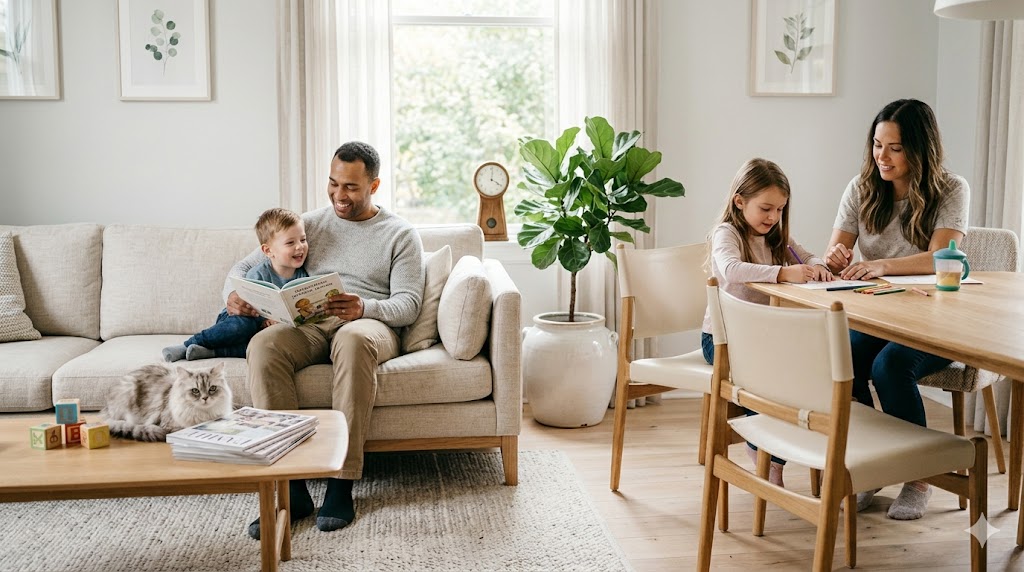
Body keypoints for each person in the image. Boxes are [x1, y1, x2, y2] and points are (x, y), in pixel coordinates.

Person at [223, 142, 425, 539]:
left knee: (352, 342)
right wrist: (231, 296)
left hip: (368, 324)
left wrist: (364, 307)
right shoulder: (311, 224)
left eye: (350, 187)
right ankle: (291, 486)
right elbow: (244, 267)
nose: (338, 195)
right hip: (312, 321)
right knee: (264, 346)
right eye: (333, 183)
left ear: (374, 185)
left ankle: (340, 482)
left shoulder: (400, 234)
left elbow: (409, 304)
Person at [823, 98, 968, 520]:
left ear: (920, 150)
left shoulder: (952, 189)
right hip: (878, 313)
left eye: (895, 148)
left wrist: (883, 265)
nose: (881, 157)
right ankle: (871, 464)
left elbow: (941, 256)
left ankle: (918, 477)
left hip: (936, 319)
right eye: (876, 145)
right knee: (843, 358)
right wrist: (835, 257)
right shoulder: (861, 188)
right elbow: (837, 250)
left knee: (889, 367)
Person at [701, 157, 833, 488]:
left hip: (762, 339)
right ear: (739, 201)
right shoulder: (727, 233)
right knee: (772, 381)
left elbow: (806, 255)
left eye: (780, 210)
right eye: (765, 208)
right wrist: (782, 273)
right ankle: (764, 453)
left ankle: (779, 454)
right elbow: (731, 269)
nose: (773, 217)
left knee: (801, 373)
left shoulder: (776, 236)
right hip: (722, 340)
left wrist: (817, 265)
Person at [162, 208, 309, 362]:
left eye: (303, 240)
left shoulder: (303, 276)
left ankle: (210, 352)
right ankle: (187, 345)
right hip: (241, 318)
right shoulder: (257, 274)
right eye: (290, 243)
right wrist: (264, 321)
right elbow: (249, 307)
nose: (300, 246)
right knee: (243, 326)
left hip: (270, 329)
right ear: (268, 250)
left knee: (266, 346)